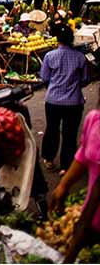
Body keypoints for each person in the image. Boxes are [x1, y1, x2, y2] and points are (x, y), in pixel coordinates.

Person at [49, 98, 100, 249]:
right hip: (90, 227)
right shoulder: (94, 119)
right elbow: (85, 154)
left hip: (86, 226)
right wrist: (64, 185)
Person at [40, 26, 90, 173]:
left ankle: (48, 159)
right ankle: (66, 166)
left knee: (52, 129)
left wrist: (55, 85)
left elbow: (45, 78)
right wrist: (74, 85)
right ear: (71, 39)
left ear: (57, 39)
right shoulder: (80, 57)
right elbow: (86, 79)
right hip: (74, 102)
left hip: (53, 101)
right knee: (70, 133)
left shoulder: (49, 56)